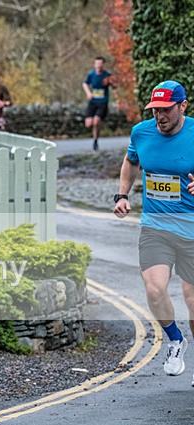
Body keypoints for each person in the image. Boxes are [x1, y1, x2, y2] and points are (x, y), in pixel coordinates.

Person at [114, 80, 194, 383]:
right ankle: (175, 341)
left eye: (167, 110)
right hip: (155, 225)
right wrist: (122, 195)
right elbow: (131, 160)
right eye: (156, 110)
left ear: (182, 106)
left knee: (192, 298)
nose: (160, 116)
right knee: (154, 288)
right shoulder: (142, 132)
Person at [83, 56, 113, 150]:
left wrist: (111, 83)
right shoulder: (91, 74)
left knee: (96, 121)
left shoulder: (107, 75)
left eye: (100, 64)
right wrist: (88, 92)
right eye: (96, 64)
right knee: (88, 123)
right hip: (92, 102)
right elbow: (84, 83)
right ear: (94, 64)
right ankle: (95, 133)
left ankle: (95, 141)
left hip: (102, 102)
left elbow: (114, 86)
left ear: (103, 64)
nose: (98, 65)